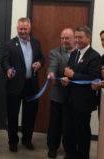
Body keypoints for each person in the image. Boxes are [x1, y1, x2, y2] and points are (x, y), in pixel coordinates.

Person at [1, 17, 44, 153]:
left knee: (30, 114)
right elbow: (5, 60)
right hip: (14, 85)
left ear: (29, 29)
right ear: (17, 29)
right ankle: (13, 141)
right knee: (13, 114)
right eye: (20, 29)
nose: (23, 31)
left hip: (31, 85)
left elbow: (41, 57)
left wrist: (39, 63)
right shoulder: (9, 44)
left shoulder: (36, 43)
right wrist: (8, 69)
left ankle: (27, 139)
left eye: (25, 29)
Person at [61, 26, 101, 159]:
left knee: (82, 132)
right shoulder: (74, 53)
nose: (77, 40)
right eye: (76, 37)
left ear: (88, 38)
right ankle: (70, 154)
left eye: (80, 37)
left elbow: (94, 78)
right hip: (69, 99)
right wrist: (66, 79)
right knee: (68, 130)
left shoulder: (94, 56)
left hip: (83, 102)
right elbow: (69, 73)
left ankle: (83, 156)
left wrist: (73, 75)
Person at [47, 28, 75, 158]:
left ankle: (69, 149)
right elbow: (52, 66)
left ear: (74, 38)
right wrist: (51, 74)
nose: (64, 40)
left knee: (70, 124)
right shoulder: (54, 52)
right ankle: (52, 147)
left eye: (67, 38)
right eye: (62, 38)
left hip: (74, 95)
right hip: (58, 93)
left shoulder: (80, 52)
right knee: (55, 123)